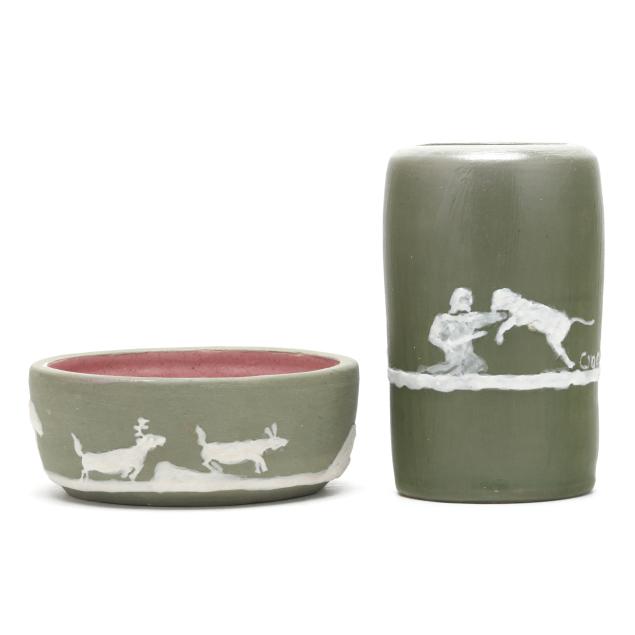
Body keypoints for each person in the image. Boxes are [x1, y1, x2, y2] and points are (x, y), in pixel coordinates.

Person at [421, 287, 506, 375]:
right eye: (465, 300)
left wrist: (501, 315)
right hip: (454, 357)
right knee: (454, 366)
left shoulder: (470, 318)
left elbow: (486, 317)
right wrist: (444, 345)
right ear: (457, 300)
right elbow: (433, 337)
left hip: (470, 358)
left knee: (477, 365)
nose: (468, 303)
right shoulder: (443, 319)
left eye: (469, 301)